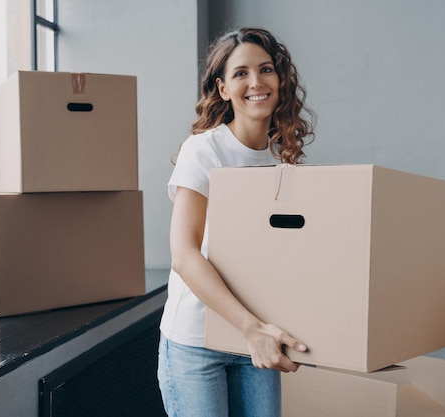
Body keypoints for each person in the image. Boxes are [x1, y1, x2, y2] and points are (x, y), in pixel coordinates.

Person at [158, 27, 315, 417]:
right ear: (223, 88)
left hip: (255, 340)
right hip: (197, 343)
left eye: (265, 70)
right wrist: (252, 329)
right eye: (240, 73)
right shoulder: (204, 151)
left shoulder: (282, 159)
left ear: (280, 81)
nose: (256, 82)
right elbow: (184, 255)